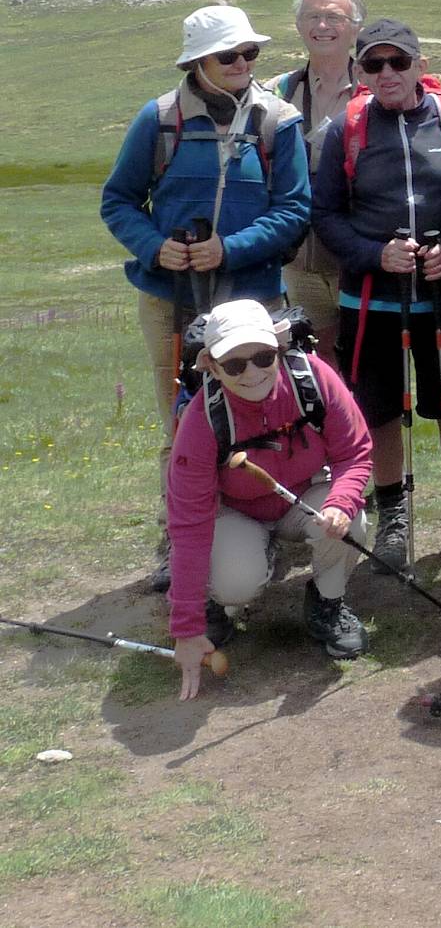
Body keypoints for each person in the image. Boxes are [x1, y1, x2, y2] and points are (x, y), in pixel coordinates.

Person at [101, 4, 310, 594]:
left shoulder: (278, 121)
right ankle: (180, 541)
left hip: (254, 298)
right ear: (198, 63)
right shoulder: (160, 119)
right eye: (229, 56)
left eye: (251, 54)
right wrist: (152, 247)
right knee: (182, 417)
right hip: (171, 298)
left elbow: (295, 208)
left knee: (265, 408)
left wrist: (230, 249)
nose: (243, 64)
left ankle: (260, 521)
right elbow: (118, 200)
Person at [311, 18, 441, 571]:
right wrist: (375, 255)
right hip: (371, 299)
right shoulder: (344, 129)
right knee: (381, 411)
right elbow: (324, 214)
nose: (387, 73)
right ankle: (393, 515)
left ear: (419, 64)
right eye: (374, 64)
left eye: (399, 61)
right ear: (361, 72)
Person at [166, 299, 372, 700]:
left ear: (279, 348)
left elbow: (354, 452)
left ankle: (327, 603)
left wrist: (340, 503)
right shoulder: (200, 420)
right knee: (236, 586)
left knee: (352, 525)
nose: (253, 373)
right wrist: (186, 630)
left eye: (263, 357)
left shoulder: (315, 378)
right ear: (210, 365)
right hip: (236, 512)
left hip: (305, 495)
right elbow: (188, 526)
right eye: (235, 365)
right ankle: (217, 601)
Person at [271, 0, 365, 357]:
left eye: (334, 17)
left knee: (367, 359)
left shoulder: (376, 86)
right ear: (298, 26)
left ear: (356, 27)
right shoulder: (279, 91)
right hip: (300, 261)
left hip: (358, 252)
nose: (322, 26)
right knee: (318, 359)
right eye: (312, 17)